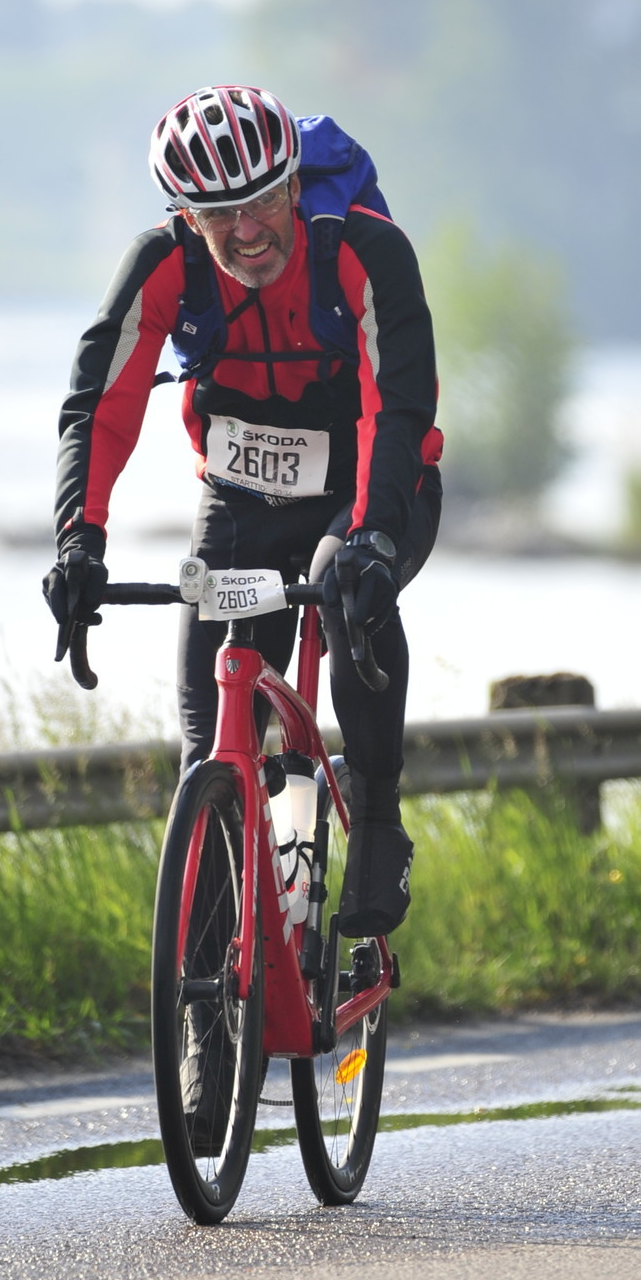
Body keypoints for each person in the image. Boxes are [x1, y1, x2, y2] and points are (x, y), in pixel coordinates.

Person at [44, 84, 442, 936]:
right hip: (241, 501)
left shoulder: (363, 249)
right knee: (210, 749)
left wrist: (374, 537)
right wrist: (79, 538)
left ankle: (377, 819)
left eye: (261, 201)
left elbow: (397, 410)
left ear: (294, 185)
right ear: (186, 216)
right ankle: (209, 979)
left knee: (345, 586)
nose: (246, 230)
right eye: (218, 214)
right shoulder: (164, 264)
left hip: (371, 488)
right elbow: (100, 406)